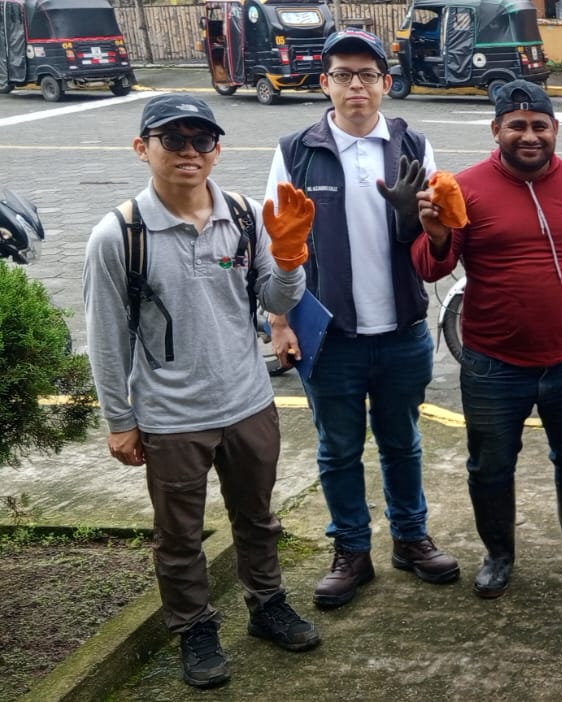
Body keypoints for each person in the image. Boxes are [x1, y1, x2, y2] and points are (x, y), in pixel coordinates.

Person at [83, 94, 318, 688]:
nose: (189, 151)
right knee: (179, 536)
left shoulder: (244, 216)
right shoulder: (119, 235)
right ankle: (194, 628)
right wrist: (120, 420)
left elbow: (276, 301)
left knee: (258, 518)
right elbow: (106, 337)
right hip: (170, 417)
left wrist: (290, 257)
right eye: (173, 139)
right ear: (142, 148)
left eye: (202, 139)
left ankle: (267, 605)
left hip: (248, 402)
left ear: (217, 150)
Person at [410, 81, 562, 597]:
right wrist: (437, 235)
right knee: (490, 465)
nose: (529, 136)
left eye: (539, 126)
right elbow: (429, 266)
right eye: (517, 126)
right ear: (496, 130)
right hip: (493, 362)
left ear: (554, 130)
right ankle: (499, 555)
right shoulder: (463, 188)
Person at [264, 29, 458, 609]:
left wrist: (416, 220)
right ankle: (351, 549)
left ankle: (410, 537)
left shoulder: (412, 145)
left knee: (402, 441)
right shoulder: (296, 150)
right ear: (325, 83)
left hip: (401, 329)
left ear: (385, 83)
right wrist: (279, 322)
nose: (356, 85)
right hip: (331, 334)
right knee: (338, 449)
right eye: (344, 74)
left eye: (367, 75)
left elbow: (435, 239)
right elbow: (277, 246)